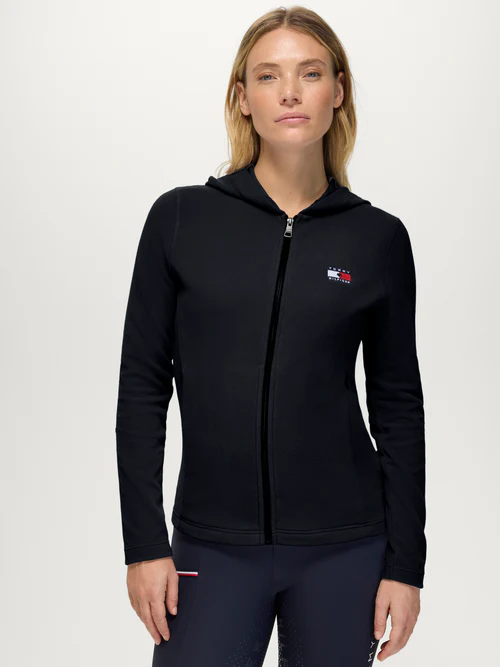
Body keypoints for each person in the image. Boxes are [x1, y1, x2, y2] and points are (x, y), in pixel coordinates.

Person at [115, 6, 426, 665]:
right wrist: (143, 544)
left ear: (337, 90)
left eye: (310, 73)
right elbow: (142, 387)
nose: (289, 92)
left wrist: (406, 564)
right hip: (210, 546)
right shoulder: (180, 219)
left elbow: (398, 407)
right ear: (242, 96)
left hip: (346, 546)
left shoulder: (376, 238)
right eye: (268, 76)